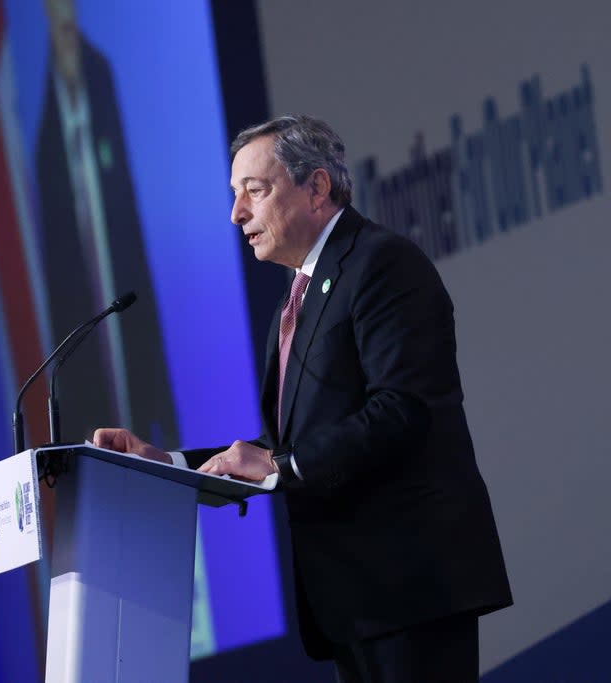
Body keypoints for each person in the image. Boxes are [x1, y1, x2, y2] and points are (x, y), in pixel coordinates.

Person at [94, 115, 512, 682]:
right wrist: (167, 465)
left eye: (254, 191)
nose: (236, 213)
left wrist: (281, 464)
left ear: (316, 188)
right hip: (355, 599)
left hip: (411, 586)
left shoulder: (383, 265)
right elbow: (282, 447)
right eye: (234, 194)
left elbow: (405, 410)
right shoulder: (302, 292)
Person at [34, 0, 177, 448]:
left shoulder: (98, 72)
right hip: (80, 280)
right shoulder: (47, 100)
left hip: (117, 258)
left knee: (137, 373)